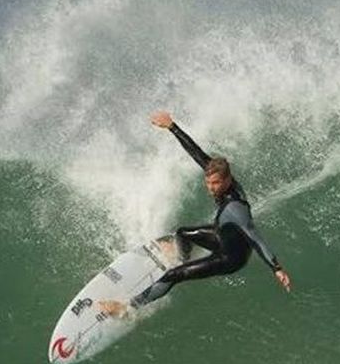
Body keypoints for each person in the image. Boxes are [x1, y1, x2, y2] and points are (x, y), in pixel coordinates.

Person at [98, 111, 292, 317]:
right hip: (222, 235)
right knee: (181, 233)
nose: (211, 188)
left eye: (216, 183)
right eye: (208, 182)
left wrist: (276, 268)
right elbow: (196, 153)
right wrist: (172, 127)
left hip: (230, 257)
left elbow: (254, 237)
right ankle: (182, 257)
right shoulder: (220, 176)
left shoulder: (235, 208)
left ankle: (127, 308)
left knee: (173, 275)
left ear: (228, 180)